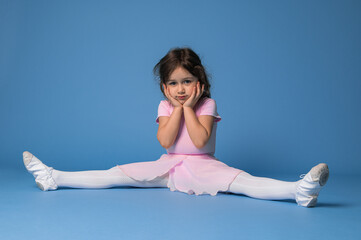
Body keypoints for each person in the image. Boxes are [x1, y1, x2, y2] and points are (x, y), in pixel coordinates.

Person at [23, 47, 329, 207]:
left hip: (204, 167)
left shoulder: (207, 105)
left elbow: (199, 142)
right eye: (173, 83)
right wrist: (177, 110)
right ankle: (54, 177)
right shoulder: (165, 107)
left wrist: (187, 109)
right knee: (115, 174)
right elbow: (165, 141)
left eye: (186, 82)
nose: (180, 89)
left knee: (245, 183)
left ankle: (298, 191)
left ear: (200, 83)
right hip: (167, 167)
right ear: (164, 86)